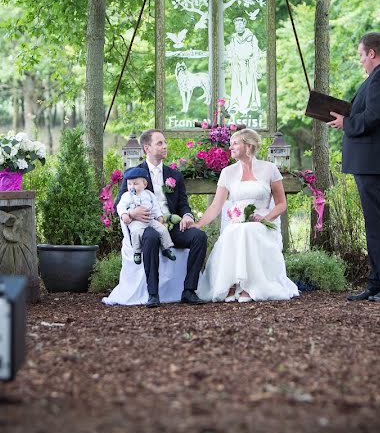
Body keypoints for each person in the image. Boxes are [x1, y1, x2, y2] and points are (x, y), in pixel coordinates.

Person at [328, 32, 380, 301]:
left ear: (372, 53)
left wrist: (346, 124)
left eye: (362, 56)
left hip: (376, 162)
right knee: (374, 224)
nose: (361, 61)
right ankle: (376, 282)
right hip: (374, 162)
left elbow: (376, 116)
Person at [193, 128, 299, 302]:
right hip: (237, 222)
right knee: (235, 231)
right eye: (230, 144)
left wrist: (266, 218)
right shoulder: (228, 172)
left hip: (263, 222)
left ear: (248, 146)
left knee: (249, 231)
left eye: (235, 143)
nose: (231, 147)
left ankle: (251, 286)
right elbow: (215, 206)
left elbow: (281, 204)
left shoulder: (270, 169)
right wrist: (199, 224)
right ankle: (231, 284)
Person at [106, 129, 207, 308]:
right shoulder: (133, 174)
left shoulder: (174, 175)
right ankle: (153, 294)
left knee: (199, 237)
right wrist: (131, 214)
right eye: (159, 143)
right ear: (147, 148)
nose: (165, 146)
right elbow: (117, 206)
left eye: (164, 142)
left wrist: (187, 215)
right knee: (151, 237)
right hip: (146, 225)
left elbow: (183, 203)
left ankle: (189, 290)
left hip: (172, 226)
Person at [116, 167, 176, 265]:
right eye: (129, 184)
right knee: (135, 232)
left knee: (163, 229)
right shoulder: (127, 196)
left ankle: (166, 248)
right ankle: (137, 251)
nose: (132, 187)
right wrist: (125, 214)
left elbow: (156, 207)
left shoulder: (149, 194)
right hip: (136, 221)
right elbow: (120, 206)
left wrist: (159, 217)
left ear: (144, 184)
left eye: (135, 184)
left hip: (150, 220)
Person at [226, 17, 262, 116]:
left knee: (249, 83)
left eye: (240, 24)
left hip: (249, 64)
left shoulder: (251, 37)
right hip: (237, 64)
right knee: (236, 84)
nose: (238, 26)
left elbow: (256, 51)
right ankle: (235, 105)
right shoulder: (234, 38)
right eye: (236, 25)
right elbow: (231, 51)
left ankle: (251, 103)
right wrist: (232, 60)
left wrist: (254, 61)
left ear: (244, 25)